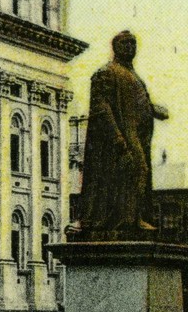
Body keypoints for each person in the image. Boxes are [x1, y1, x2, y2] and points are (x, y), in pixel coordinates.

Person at [71, 30, 169, 239]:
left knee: (138, 173)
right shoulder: (107, 72)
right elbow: (101, 107)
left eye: (133, 44)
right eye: (125, 44)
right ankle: (127, 220)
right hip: (121, 135)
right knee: (135, 170)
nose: (130, 48)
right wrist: (117, 138)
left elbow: (137, 102)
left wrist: (153, 109)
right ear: (115, 47)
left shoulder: (133, 75)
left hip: (138, 135)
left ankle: (134, 218)